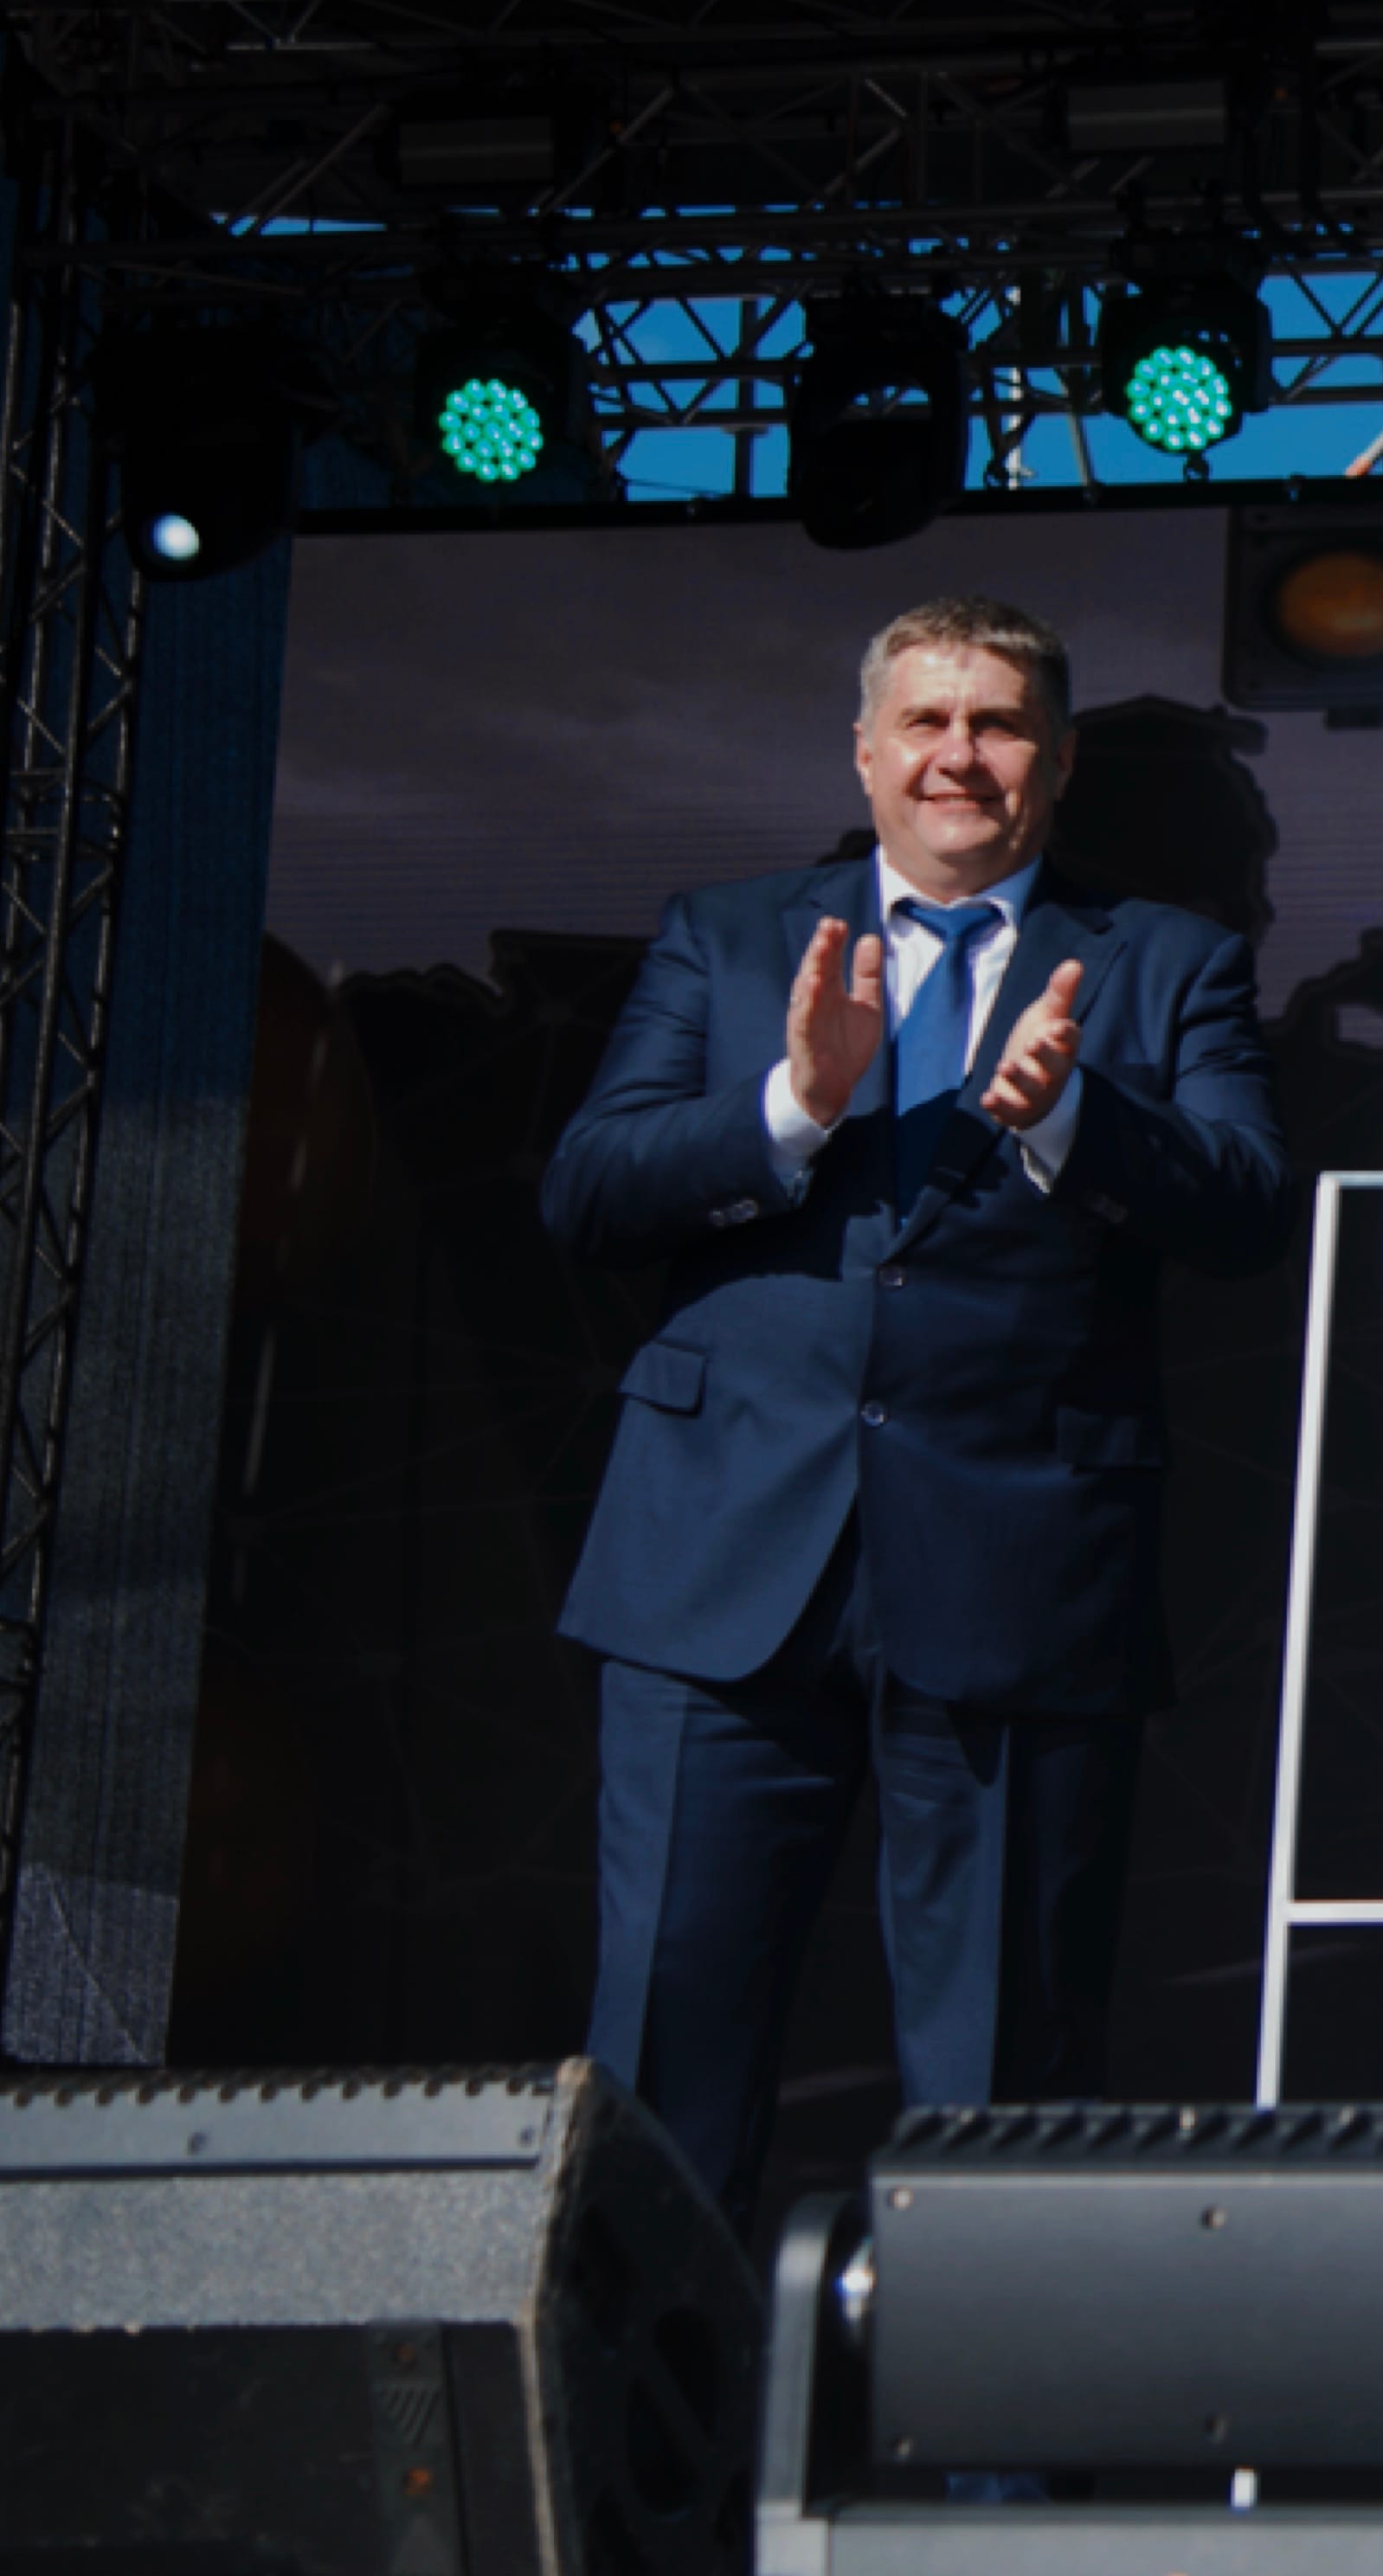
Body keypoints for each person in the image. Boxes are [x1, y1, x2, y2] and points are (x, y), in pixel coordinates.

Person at [543, 594, 1285, 2207]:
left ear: (1059, 761)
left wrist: (1075, 1117)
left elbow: (1245, 1213)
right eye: (927, 722)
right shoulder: (730, 938)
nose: (961, 755)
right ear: (866, 753)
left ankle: (983, 2389)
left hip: (1017, 1570)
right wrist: (789, 1105)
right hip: (720, 1566)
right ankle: (648, 2384)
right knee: (665, 2051)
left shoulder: (1170, 961)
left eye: (999, 723)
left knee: (1004, 2077)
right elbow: (588, 1192)